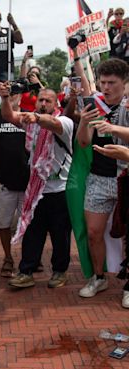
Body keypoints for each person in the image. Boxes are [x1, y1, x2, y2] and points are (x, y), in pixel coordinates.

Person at [0, 84, 74, 289]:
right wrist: (5, 98)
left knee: (60, 234)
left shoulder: (64, 122)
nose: (43, 103)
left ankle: (59, 272)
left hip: (59, 190)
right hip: (36, 189)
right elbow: (9, 116)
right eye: (40, 100)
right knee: (33, 232)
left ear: (56, 104)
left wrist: (37, 118)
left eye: (48, 100)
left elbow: (53, 124)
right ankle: (26, 272)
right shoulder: (31, 121)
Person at [75, 58, 129, 304]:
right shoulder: (95, 104)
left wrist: (112, 128)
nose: (106, 87)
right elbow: (83, 142)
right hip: (99, 177)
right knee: (94, 232)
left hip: (125, 176)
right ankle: (99, 277)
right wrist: (85, 121)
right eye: (102, 82)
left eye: (112, 83)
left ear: (124, 83)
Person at [0, 92, 30, 277]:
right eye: (7, 93)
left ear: (21, 96)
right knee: (3, 225)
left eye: (15, 93)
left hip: (27, 183)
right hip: (2, 182)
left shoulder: (30, 116)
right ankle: (8, 257)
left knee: (29, 224)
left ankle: (29, 258)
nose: (11, 97)